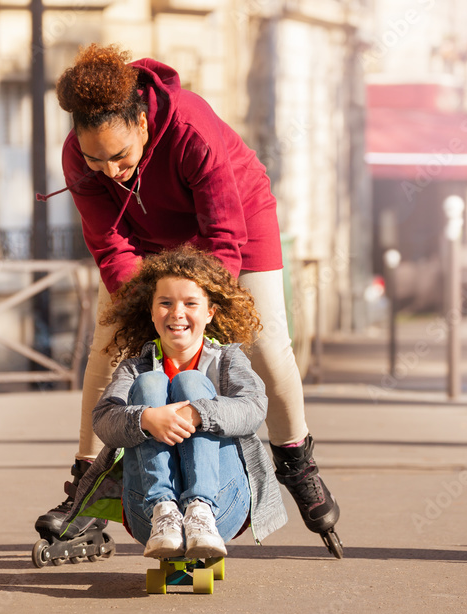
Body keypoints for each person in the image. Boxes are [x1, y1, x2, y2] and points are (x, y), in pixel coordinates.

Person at [35, 43, 341, 556]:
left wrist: (198, 315)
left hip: (236, 222)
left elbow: (223, 235)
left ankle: (295, 459)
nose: (108, 171)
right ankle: (86, 488)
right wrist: (144, 315)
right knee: (107, 348)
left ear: (141, 123)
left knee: (265, 345)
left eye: (120, 157)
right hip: (145, 235)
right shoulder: (77, 158)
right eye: (95, 159)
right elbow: (110, 244)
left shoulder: (189, 127)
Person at [61, 246, 287, 557]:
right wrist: (146, 419)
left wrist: (199, 412)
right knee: (151, 383)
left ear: (210, 312)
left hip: (222, 507)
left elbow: (253, 407)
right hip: (149, 516)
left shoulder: (228, 359)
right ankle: (164, 508)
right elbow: (103, 419)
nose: (177, 313)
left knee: (190, 382)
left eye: (190, 303)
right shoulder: (135, 367)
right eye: (165, 303)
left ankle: (200, 509)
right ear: (151, 312)